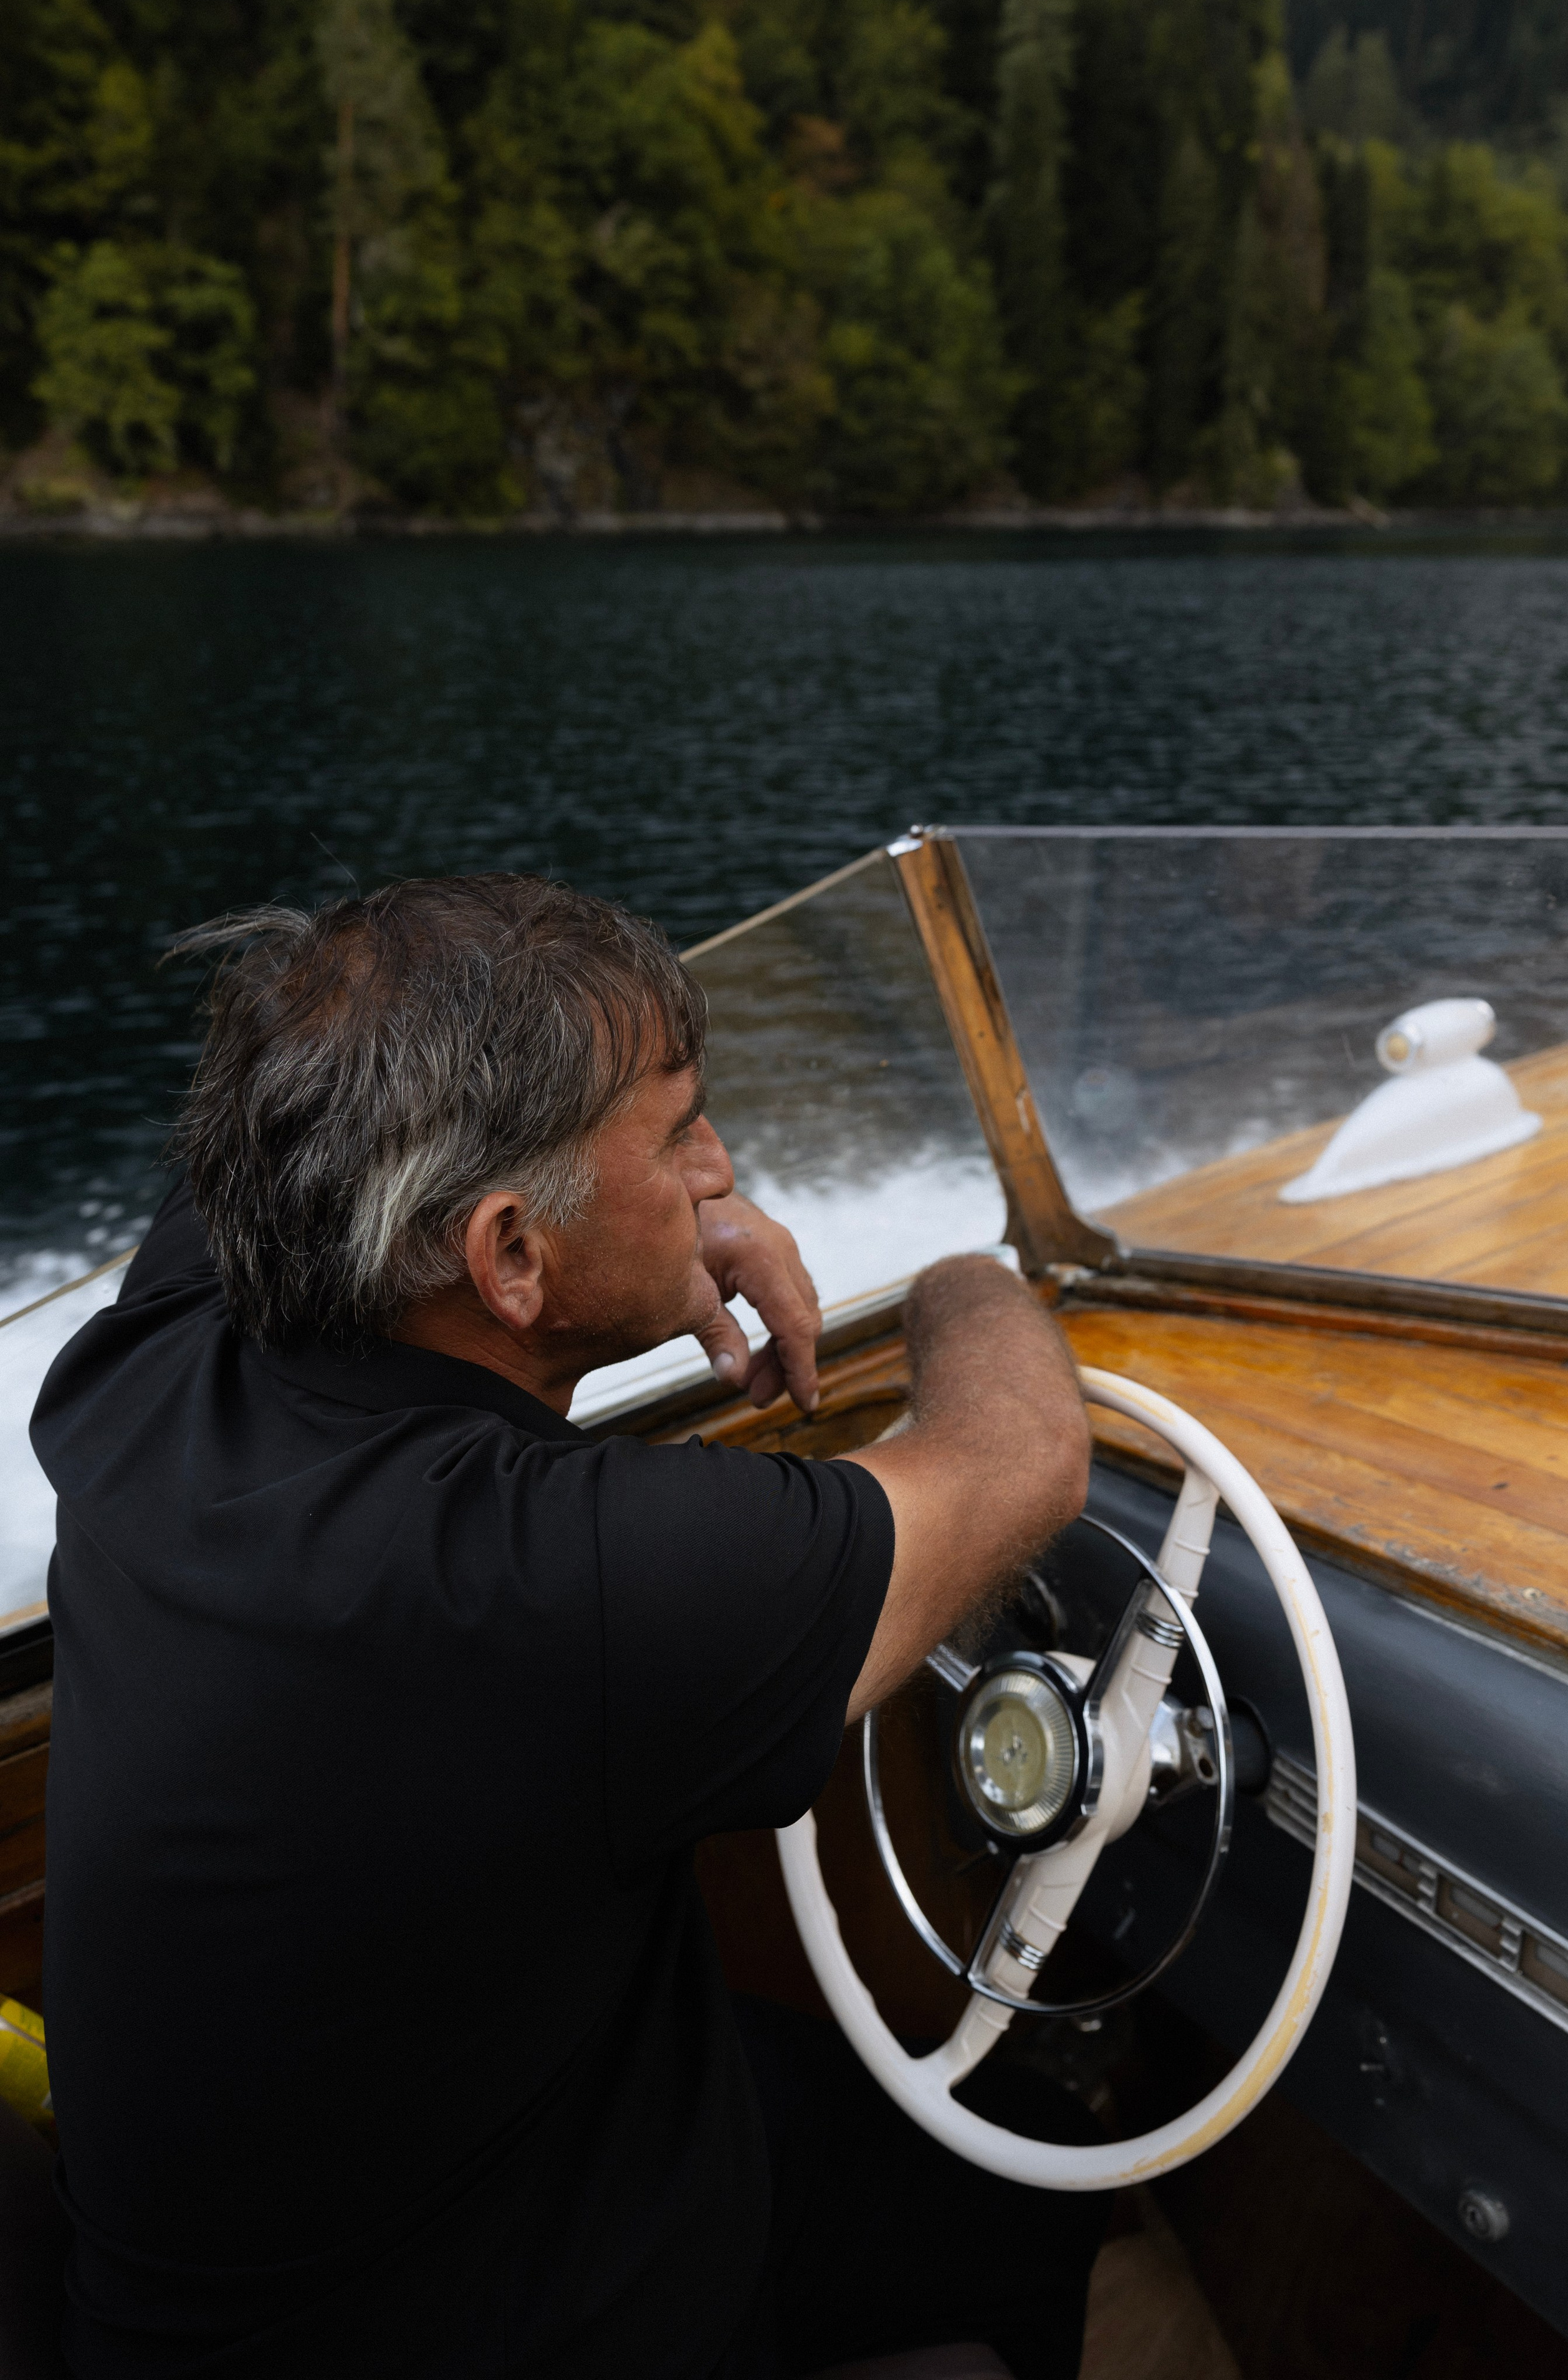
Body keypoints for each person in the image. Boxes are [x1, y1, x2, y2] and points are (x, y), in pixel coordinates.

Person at [32, 874, 1101, 2380]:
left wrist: (676, 1218)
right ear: (511, 1258)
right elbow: (1021, 1457)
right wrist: (959, 1271)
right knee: (1031, 2164)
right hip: (497, 2316)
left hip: (253, 2278)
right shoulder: (553, 1581)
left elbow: (350, 1033)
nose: (717, 1169)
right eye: (680, 1137)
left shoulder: (154, 1360)